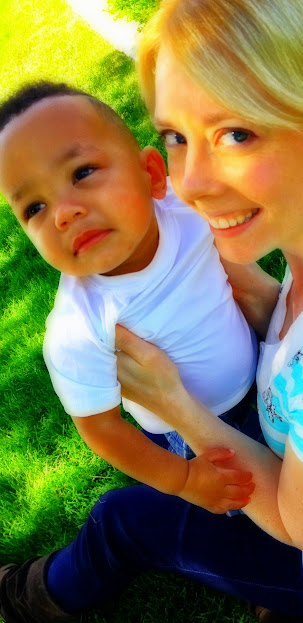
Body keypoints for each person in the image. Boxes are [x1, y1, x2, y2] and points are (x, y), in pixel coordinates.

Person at [2, 0, 303, 623]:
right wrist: (255, 291)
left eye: (236, 133)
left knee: (121, 520)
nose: (190, 184)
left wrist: (176, 408)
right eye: (177, 137)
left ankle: (25, 598)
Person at [0, 82, 258, 515]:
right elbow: (101, 429)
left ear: (152, 175)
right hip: (199, 433)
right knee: (251, 505)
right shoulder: (78, 328)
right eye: (34, 208)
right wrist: (185, 479)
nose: (63, 212)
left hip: (263, 367)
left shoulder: (185, 207)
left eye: (82, 173)